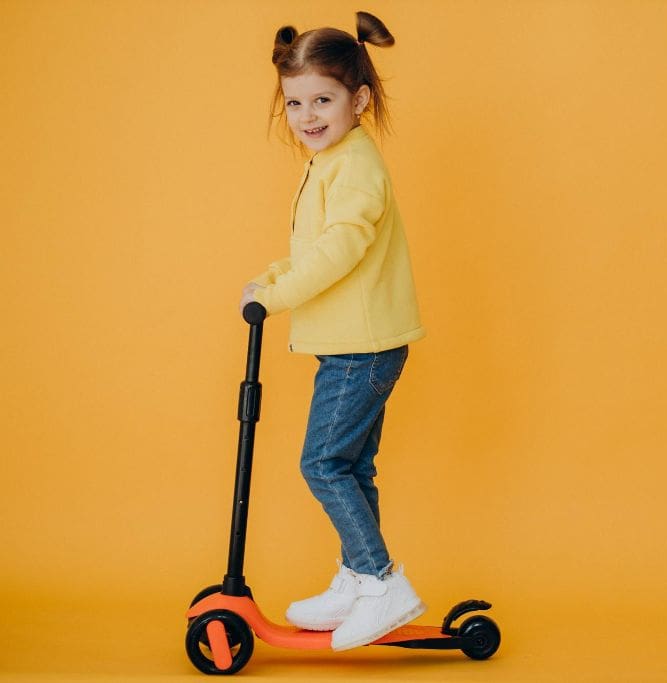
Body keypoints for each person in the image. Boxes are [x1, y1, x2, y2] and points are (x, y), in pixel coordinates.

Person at [238, 11, 426, 652]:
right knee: (353, 465)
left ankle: (382, 583)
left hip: (362, 347)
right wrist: (271, 277)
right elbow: (318, 246)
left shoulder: (356, 165)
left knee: (322, 464)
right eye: (295, 103)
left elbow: (341, 250)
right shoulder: (334, 161)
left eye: (324, 99)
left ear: (359, 99)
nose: (308, 115)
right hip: (355, 343)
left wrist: (279, 297)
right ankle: (356, 578)